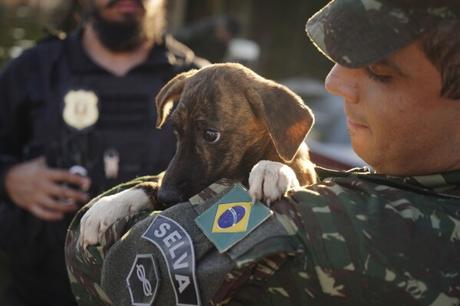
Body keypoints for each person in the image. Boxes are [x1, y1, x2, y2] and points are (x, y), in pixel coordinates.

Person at [65, 0, 460, 305]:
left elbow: (103, 256)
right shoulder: (409, 189)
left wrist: (150, 193)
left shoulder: (322, 229)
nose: (334, 81)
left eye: (381, 72)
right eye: (339, 62)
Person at [0, 0, 207, 305]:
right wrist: (8, 178)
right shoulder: (32, 70)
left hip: (165, 292)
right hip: (42, 291)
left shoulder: (200, 82)